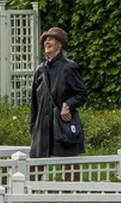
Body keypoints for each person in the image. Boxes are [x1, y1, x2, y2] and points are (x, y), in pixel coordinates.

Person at [29, 27, 86, 158]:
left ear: (59, 44)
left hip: (61, 123)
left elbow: (82, 94)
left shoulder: (69, 67)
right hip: (42, 126)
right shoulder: (40, 70)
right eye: (45, 40)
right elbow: (34, 102)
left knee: (70, 167)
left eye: (51, 39)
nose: (46, 42)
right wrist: (32, 126)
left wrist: (67, 105)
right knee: (36, 167)